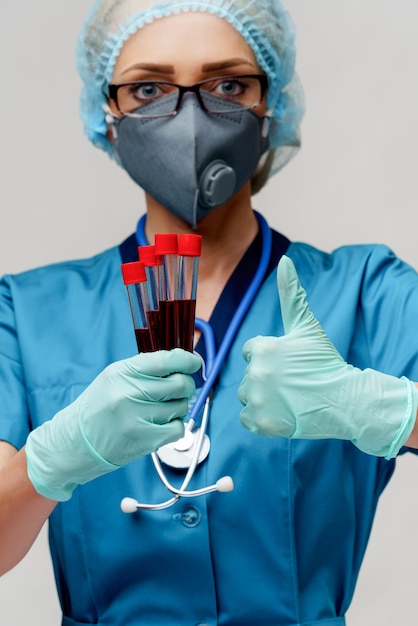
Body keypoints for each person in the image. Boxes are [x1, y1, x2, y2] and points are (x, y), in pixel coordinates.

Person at [1, 1, 418, 625]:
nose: (191, 117)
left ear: (269, 103)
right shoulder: (27, 312)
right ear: (107, 113)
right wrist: (52, 459)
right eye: (149, 88)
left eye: (227, 85)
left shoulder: (366, 291)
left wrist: (386, 410)